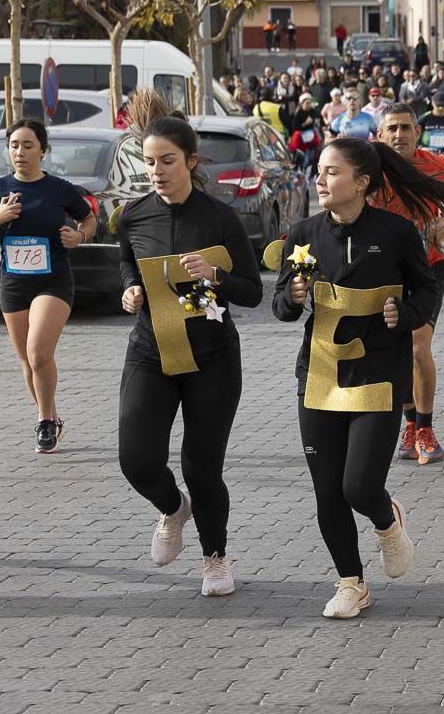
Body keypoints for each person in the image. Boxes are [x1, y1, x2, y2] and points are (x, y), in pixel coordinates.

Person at [272, 136, 444, 618]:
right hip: (318, 376)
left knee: (358, 487)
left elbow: (426, 288)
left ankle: (386, 520)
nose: (320, 180)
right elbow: (279, 307)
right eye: (319, 171)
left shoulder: (398, 233)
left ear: (361, 183)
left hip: (379, 374)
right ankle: (351, 583)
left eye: (332, 172)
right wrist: (292, 297)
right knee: (327, 491)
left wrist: (408, 311)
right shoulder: (303, 233)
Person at [116, 93, 263, 596]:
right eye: (149, 161)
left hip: (212, 358)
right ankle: (172, 510)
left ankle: (215, 558)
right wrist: (130, 289)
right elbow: (127, 263)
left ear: (191, 162)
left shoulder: (220, 219)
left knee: (203, 468)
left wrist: (217, 274)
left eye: (167, 161)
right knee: (136, 460)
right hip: (151, 353)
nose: (156, 170)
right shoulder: (132, 217)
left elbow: (252, 289)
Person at [0, 119, 96, 453]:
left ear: (43, 149)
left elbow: (89, 218)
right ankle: (52, 417)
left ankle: (42, 422)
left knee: (39, 353)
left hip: (53, 280)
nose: (20, 152)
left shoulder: (59, 189)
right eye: (14, 145)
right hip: (13, 283)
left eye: (28, 145)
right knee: (27, 362)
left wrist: (79, 236)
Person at [372, 104, 444, 465]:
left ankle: (426, 429)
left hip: (426, 270)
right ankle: (410, 424)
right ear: (380, 135)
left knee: (416, 348)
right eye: (392, 129)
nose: (399, 135)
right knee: (393, 355)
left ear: (418, 132)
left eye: (406, 128)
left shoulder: (437, 166)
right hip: (381, 273)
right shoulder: (369, 165)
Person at [418, 92, 444, 158]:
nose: (440, 108)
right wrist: (420, 147)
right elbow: (415, 136)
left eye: (443, 105)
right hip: (426, 155)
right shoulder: (424, 118)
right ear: (432, 103)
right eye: (438, 105)